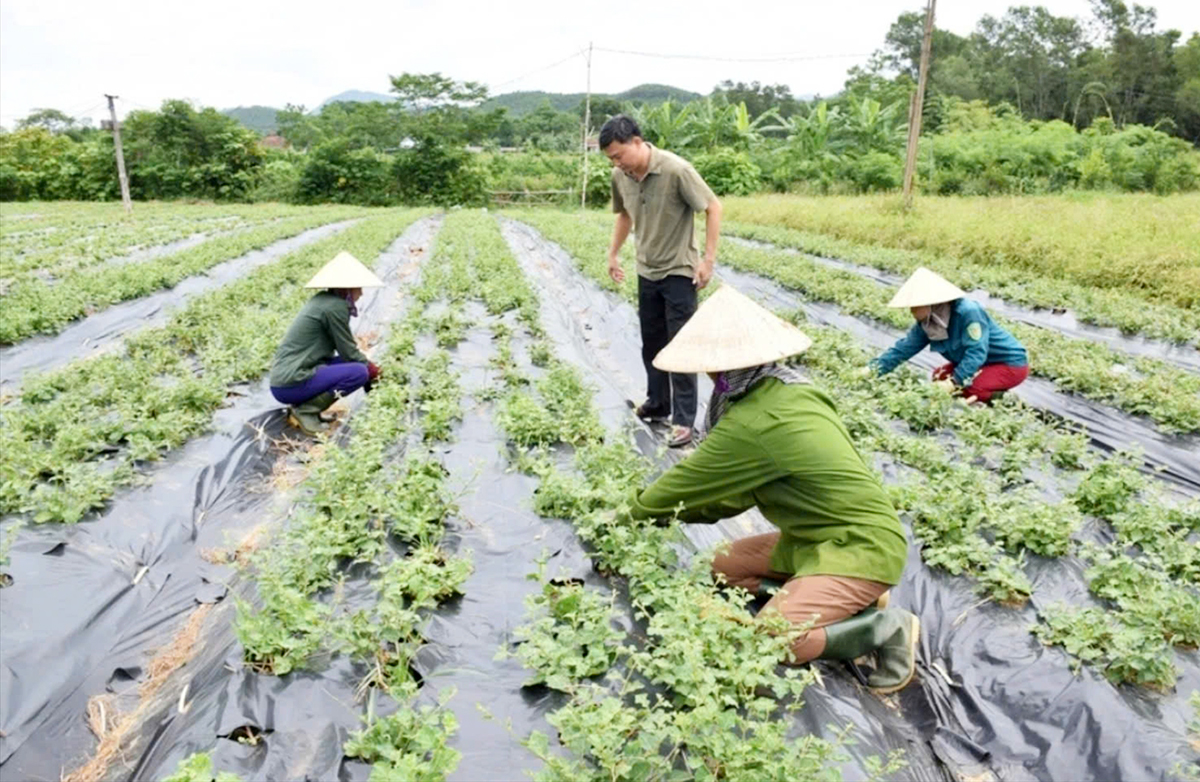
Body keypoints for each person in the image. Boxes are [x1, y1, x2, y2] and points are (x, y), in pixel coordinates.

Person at [625, 285, 919, 693]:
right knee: (719, 566)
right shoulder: (785, 387)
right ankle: (830, 600)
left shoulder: (755, 420)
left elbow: (686, 487)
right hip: (811, 538)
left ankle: (884, 628)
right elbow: (727, 496)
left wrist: (631, 514)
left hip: (861, 548)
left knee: (774, 638)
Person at [602, 114, 723, 448]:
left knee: (681, 344)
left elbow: (713, 207)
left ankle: (684, 421)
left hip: (679, 270)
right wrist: (613, 254)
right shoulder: (620, 176)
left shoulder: (676, 169)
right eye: (611, 159)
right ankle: (657, 403)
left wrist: (708, 260)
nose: (616, 163)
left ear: (637, 142)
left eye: (619, 155)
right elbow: (624, 215)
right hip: (647, 269)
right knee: (652, 342)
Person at [871, 267, 1029, 403]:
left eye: (915, 305)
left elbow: (976, 353)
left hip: (1008, 364)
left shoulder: (968, 312)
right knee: (939, 377)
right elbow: (904, 348)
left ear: (930, 302)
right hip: (981, 364)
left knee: (971, 388)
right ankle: (984, 386)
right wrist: (873, 369)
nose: (911, 310)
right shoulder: (929, 322)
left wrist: (954, 382)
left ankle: (1005, 399)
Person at [269, 251, 383, 435]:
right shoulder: (335, 307)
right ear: (346, 288)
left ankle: (306, 407)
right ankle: (306, 411)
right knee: (359, 372)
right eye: (358, 287)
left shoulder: (323, 300)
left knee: (357, 365)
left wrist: (368, 366)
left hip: (289, 376)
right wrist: (372, 369)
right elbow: (348, 351)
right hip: (291, 383)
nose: (361, 293)